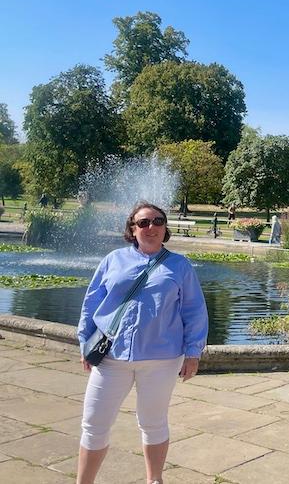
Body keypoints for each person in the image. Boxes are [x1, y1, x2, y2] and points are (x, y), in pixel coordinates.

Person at [76, 201, 208, 484]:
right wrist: (84, 342)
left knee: (153, 423)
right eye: (144, 222)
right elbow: (92, 302)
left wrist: (193, 352)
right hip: (111, 358)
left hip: (161, 359)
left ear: (165, 227)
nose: (152, 227)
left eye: (158, 221)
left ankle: (154, 480)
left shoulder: (180, 266)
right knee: (94, 424)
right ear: (132, 229)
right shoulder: (113, 260)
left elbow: (194, 310)